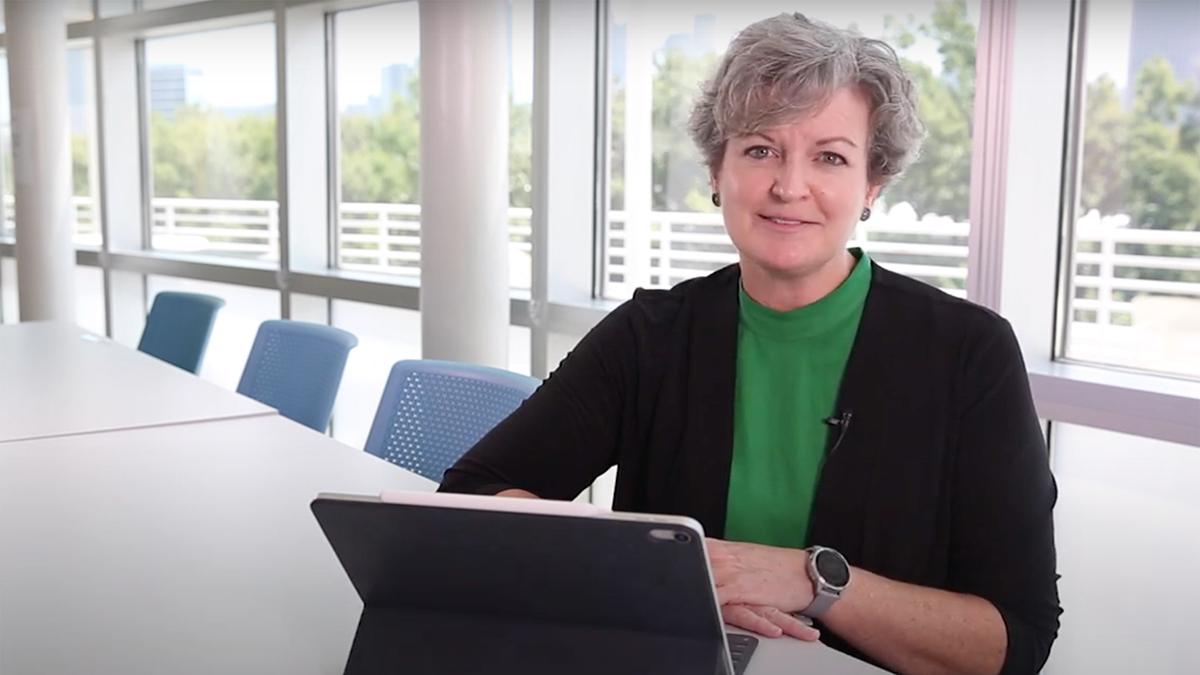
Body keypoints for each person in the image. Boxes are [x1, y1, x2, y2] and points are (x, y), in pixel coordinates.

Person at [441, 12, 1060, 675]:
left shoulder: (970, 353)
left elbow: (1013, 641)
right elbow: (477, 491)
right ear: (717, 169)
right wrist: (675, 581)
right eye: (760, 149)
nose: (789, 186)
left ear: (872, 184)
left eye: (830, 156)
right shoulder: (650, 335)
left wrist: (812, 580)